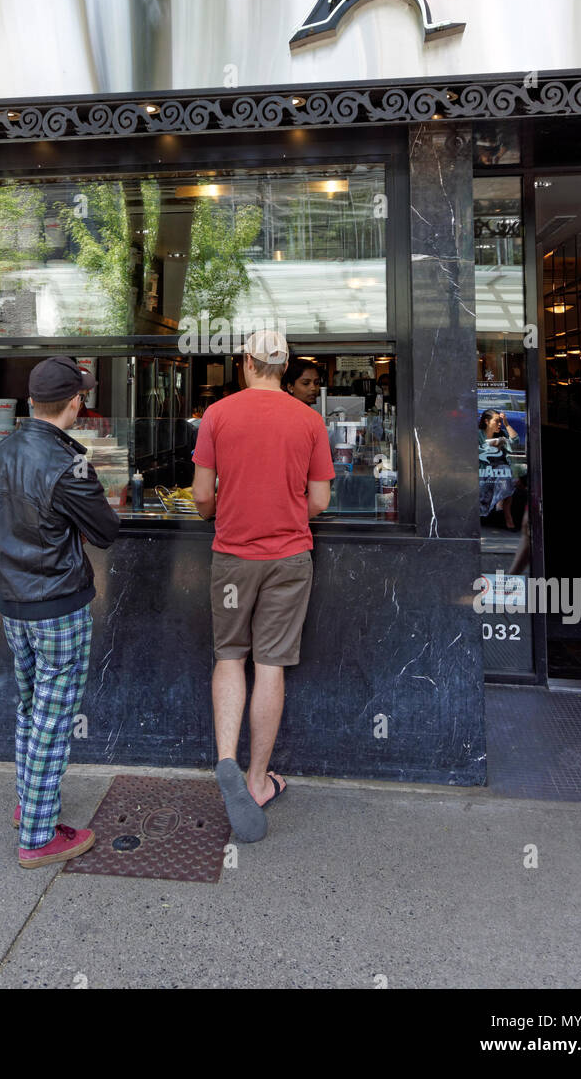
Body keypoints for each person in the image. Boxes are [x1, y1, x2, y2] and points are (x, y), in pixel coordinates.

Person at [191, 330, 334, 842]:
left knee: (230, 656)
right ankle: (255, 781)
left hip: (232, 556)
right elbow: (319, 501)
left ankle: (226, 759)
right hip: (289, 559)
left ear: (246, 362)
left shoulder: (218, 415)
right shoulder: (309, 419)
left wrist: (222, 508)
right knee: (270, 665)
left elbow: (202, 497)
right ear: (285, 365)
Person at [0, 355, 120, 868]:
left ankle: (29, 806)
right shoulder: (68, 465)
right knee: (54, 720)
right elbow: (106, 532)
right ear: (76, 403)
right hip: (56, 604)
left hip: (12, 600)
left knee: (30, 709)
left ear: (31, 402)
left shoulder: (1, 453)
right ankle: (39, 836)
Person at [478, 408, 523, 528]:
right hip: (483, 469)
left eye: (500, 421)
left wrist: (506, 424)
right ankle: (504, 512)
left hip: (500, 468)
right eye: (496, 421)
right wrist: (491, 446)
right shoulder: (478, 434)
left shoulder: (501, 433)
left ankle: (505, 511)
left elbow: (515, 441)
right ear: (487, 422)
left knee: (506, 471)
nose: (499, 424)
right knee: (504, 473)